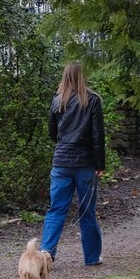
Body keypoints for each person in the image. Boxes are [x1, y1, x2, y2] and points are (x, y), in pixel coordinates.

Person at [40, 62, 105, 267]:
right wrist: (100, 163)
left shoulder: (57, 101)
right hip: (86, 163)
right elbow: (97, 135)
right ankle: (92, 257)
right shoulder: (92, 100)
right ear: (82, 76)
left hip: (61, 162)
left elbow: (52, 132)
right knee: (87, 210)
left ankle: (46, 256)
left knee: (56, 209)